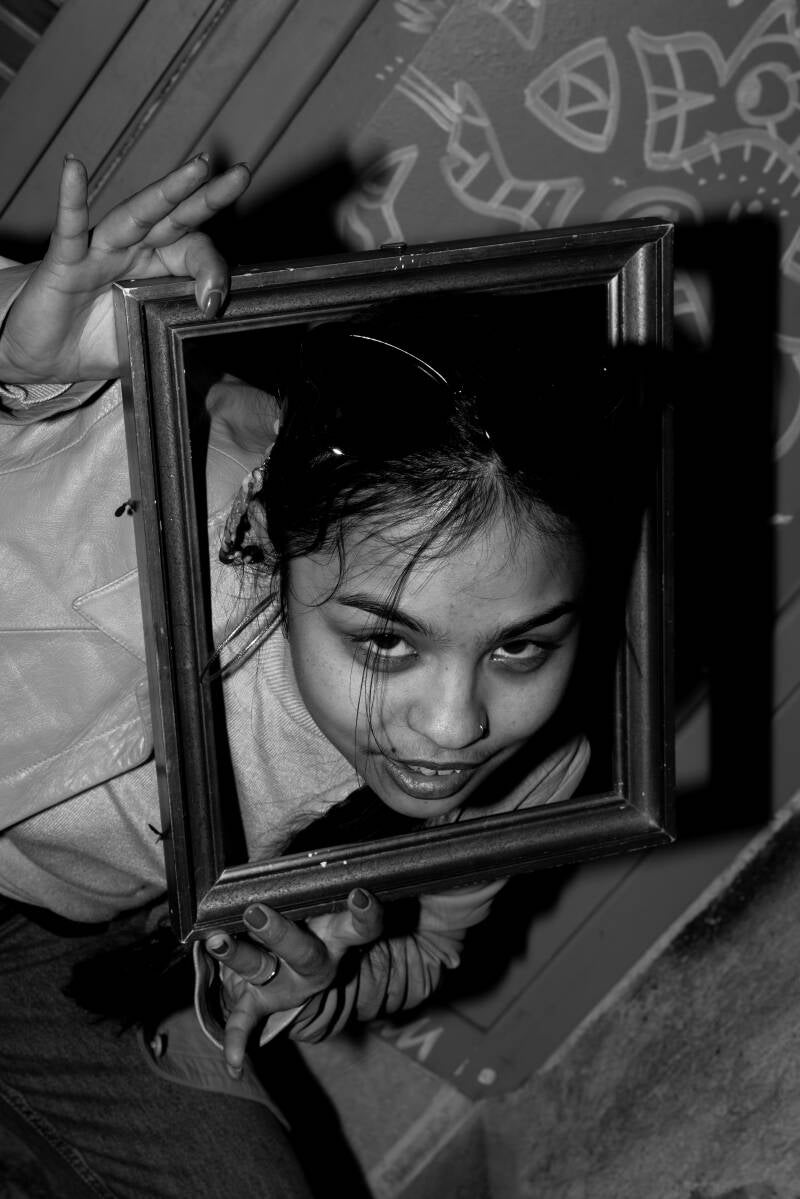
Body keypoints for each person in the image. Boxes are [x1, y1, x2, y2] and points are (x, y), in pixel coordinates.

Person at [0, 155, 622, 1198]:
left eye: (520, 646)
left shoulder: (534, 771)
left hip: (68, 954)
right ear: (267, 536)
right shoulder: (161, 465)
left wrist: (307, 981)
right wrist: (21, 367)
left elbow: (420, 954)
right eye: (384, 640)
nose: (453, 726)